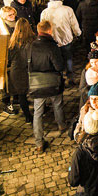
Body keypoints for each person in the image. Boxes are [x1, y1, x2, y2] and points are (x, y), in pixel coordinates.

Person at [29, 21, 67, 152]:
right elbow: (59, 66)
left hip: (37, 83)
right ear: (50, 31)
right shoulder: (52, 47)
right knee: (57, 104)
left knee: (38, 113)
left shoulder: (32, 46)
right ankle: (61, 125)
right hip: (53, 82)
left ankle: (39, 142)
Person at [40, 0, 82, 78]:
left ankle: (58, 77)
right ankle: (70, 76)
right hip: (66, 38)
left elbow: (43, 27)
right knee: (68, 58)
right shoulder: (67, 10)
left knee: (55, 60)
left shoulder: (45, 12)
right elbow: (74, 24)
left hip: (52, 40)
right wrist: (78, 33)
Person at [4, 18, 35, 122]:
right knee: (32, 91)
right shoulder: (32, 40)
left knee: (22, 94)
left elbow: (9, 57)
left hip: (16, 70)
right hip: (27, 69)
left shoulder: (12, 41)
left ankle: (27, 116)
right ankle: (34, 113)